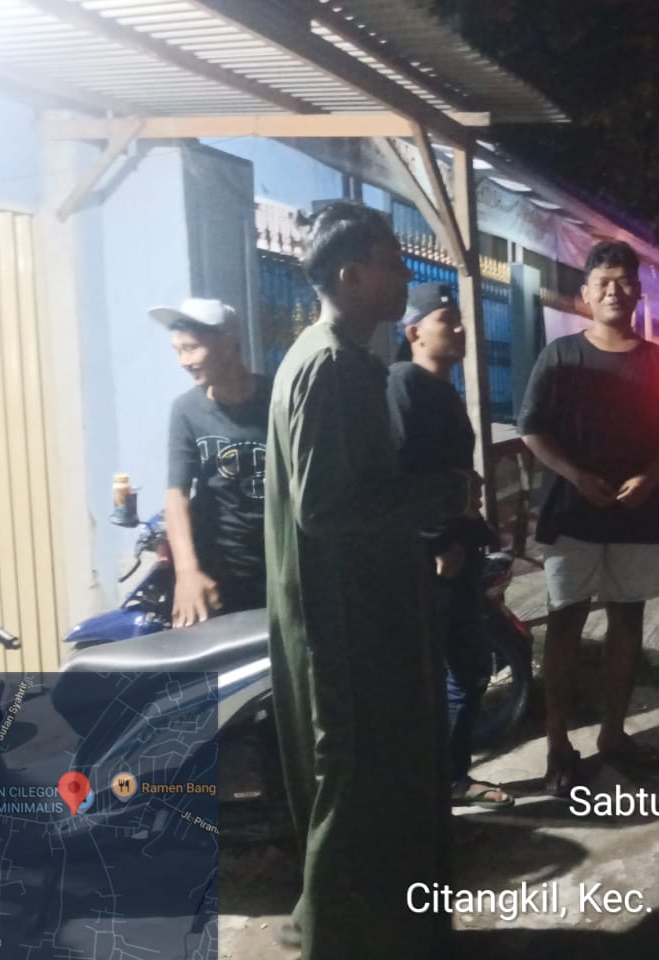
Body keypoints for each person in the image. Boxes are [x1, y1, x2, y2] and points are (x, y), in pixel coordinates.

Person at [264, 202, 473, 960]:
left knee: (365, 784)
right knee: (352, 787)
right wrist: (442, 494)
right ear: (351, 276)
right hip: (344, 621)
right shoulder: (330, 368)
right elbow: (326, 509)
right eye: (391, 261)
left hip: (357, 612)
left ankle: (369, 929)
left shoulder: (337, 359)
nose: (406, 274)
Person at [518, 240, 659, 796]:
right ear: (585, 293)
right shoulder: (560, 356)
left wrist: (648, 478)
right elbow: (532, 429)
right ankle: (558, 745)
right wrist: (576, 476)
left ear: (638, 291)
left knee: (628, 622)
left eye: (623, 281)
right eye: (602, 282)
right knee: (565, 625)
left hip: (636, 515)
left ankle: (613, 735)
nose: (613, 291)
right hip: (571, 514)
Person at [387, 283, 514, 810]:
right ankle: (437, 782)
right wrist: (438, 542)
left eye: (461, 319)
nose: (460, 328)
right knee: (453, 671)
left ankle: (447, 778)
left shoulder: (441, 387)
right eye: (448, 320)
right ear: (415, 331)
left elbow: (445, 470)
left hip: (458, 550)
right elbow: (398, 476)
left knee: (468, 668)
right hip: (432, 559)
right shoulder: (403, 383)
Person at [150, 298, 269, 627]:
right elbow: (177, 495)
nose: (183, 361)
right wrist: (187, 572)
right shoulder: (186, 411)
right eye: (178, 351)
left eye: (191, 349)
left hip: (284, 563)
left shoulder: (277, 397)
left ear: (228, 345)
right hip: (222, 570)